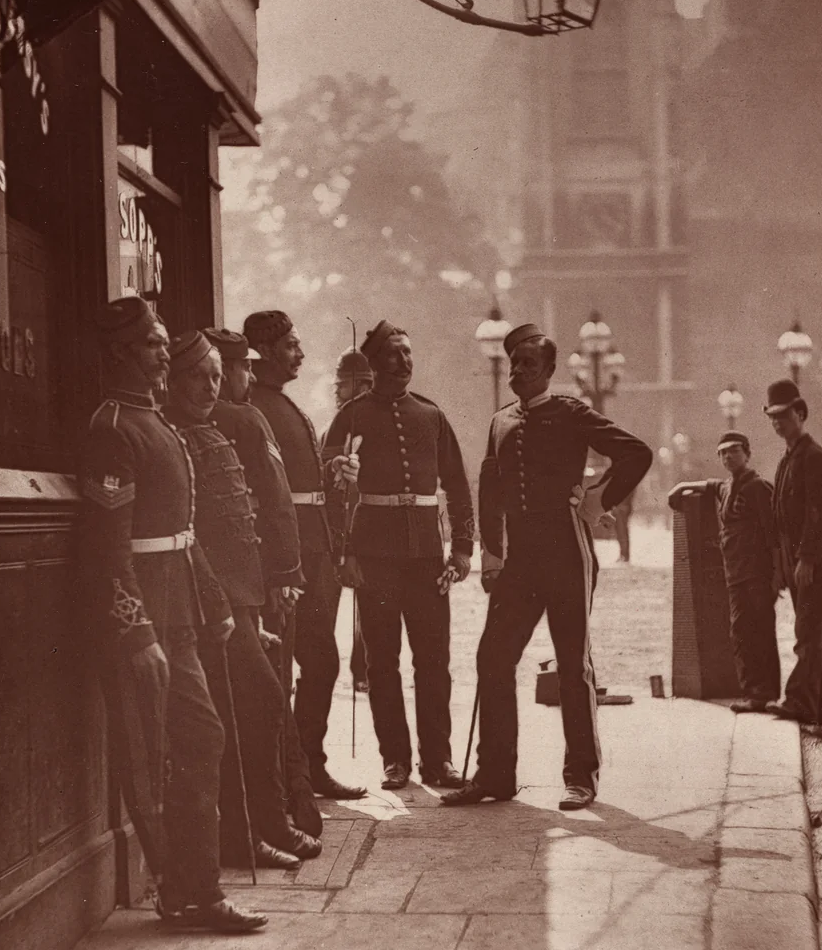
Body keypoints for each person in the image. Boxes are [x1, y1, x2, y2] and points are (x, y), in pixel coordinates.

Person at [78, 296, 265, 933]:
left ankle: (194, 889)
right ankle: (185, 894)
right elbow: (108, 547)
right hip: (145, 622)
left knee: (200, 738)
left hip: (179, 611)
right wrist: (137, 633)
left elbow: (184, 532)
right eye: (153, 344)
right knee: (150, 755)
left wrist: (213, 601)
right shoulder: (112, 428)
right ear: (121, 353)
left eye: (162, 342)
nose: (164, 352)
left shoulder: (152, 420)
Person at [443, 323, 652, 810]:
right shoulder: (500, 421)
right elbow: (490, 488)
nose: (517, 372)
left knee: (571, 664)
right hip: (520, 560)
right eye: (514, 363)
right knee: (493, 658)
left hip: (566, 552)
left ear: (550, 370)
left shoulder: (571, 413)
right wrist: (491, 555)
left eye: (529, 365)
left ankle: (581, 776)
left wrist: (597, 499)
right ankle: (495, 775)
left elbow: (636, 454)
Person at [165, 330, 322, 871]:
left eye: (215, 376)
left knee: (256, 707)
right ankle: (250, 832)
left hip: (239, 600)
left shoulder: (212, 429)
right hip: (207, 604)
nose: (210, 386)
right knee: (247, 708)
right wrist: (226, 604)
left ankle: (265, 824)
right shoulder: (176, 437)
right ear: (173, 381)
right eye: (198, 377)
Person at [324, 320, 475, 791]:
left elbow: (457, 485)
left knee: (433, 661)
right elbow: (329, 490)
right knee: (382, 663)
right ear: (373, 363)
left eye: (408, 352)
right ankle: (395, 761)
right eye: (393, 354)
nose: (403, 361)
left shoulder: (431, 414)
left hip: (427, 557)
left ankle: (438, 761)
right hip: (374, 557)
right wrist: (344, 554)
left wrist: (462, 549)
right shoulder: (351, 416)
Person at [244, 310, 366, 800]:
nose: (301, 353)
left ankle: (307, 766)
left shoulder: (282, 404)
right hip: (282, 561)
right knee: (281, 669)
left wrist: (333, 473)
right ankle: (282, 776)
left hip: (312, 554)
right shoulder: (252, 407)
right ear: (265, 351)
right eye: (291, 345)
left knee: (321, 662)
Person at [204, 327, 321, 835]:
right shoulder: (247, 419)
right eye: (242, 368)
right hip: (260, 578)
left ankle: (276, 808)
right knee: (270, 693)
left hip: (223, 583)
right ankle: (290, 803)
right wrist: (287, 574)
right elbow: (276, 501)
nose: (247, 378)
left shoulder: (197, 419)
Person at [764, 378, 822, 726]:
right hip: (799, 559)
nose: (778, 422)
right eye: (772, 417)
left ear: (801, 414)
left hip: (816, 559)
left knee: (807, 630)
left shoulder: (815, 457)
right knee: (818, 629)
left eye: (784, 415)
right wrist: (782, 564)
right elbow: (781, 516)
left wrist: (806, 559)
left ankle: (800, 702)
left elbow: (821, 515)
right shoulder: (790, 458)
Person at [669, 431, 781, 713]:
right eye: (723, 453)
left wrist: (777, 574)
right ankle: (753, 691)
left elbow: (774, 534)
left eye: (734, 451)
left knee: (760, 633)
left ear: (747, 454)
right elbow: (711, 485)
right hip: (736, 574)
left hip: (757, 574)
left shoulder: (758, 488)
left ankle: (764, 694)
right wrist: (682, 486)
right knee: (741, 633)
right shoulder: (728, 487)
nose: (728, 456)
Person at [328, 347, 374, 693]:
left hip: (365, 527)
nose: (337, 391)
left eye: (342, 385)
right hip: (332, 530)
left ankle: (363, 667)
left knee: (369, 607)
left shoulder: (378, 430)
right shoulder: (332, 429)